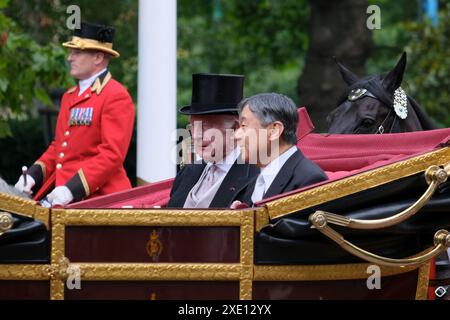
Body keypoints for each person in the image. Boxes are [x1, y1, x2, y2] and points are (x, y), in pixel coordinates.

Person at [14, 22, 135, 206]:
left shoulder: (115, 95)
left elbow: (111, 155)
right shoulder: (69, 96)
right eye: (71, 52)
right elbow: (58, 148)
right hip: (64, 196)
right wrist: (31, 176)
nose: (70, 58)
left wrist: (72, 188)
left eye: (77, 52)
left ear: (98, 57)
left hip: (100, 200)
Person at [167, 73, 259, 208]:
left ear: (235, 128)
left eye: (205, 126)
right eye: (193, 126)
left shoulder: (255, 178)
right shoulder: (188, 171)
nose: (197, 135)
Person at [232, 93, 327, 207]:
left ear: (274, 131)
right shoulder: (254, 183)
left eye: (244, 126)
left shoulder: (309, 180)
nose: (236, 135)